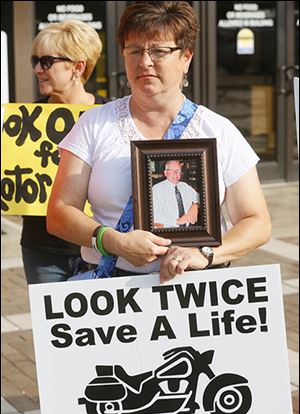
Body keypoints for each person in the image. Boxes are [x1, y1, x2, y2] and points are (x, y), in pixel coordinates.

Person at [47, 1, 271, 284]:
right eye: (135, 51)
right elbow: (59, 212)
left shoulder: (218, 130)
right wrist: (113, 241)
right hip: (114, 295)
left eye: (159, 51)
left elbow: (257, 222)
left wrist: (205, 253)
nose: (145, 62)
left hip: (197, 293)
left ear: (186, 57)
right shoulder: (93, 125)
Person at [20, 20, 110, 284]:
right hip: (43, 250)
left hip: (100, 249)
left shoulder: (111, 117)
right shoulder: (24, 120)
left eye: (46, 61)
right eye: (35, 61)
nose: (37, 69)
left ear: (78, 67)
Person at [152, 160, 200, 228]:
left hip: (188, 229)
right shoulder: (157, 189)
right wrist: (177, 221)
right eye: (172, 170)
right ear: (166, 173)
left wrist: (195, 206)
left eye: (178, 170)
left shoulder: (184, 186)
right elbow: (153, 214)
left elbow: (201, 198)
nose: (175, 173)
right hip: (167, 230)